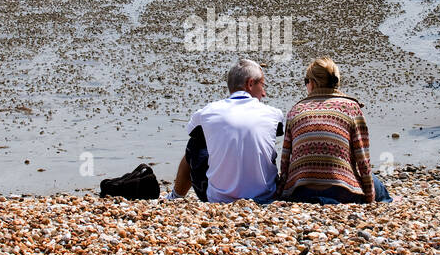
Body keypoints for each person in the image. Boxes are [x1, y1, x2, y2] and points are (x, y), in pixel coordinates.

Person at [167, 58, 284, 204]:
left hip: (218, 199)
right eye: (263, 85)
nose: (264, 93)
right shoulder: (274, 114)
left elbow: (192, 136)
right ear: (250, 83)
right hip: (266, 196)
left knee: (194, 144)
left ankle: (175, 197)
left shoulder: (207, 112)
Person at [278, 57, 391, 204]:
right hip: (341, 191)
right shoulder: (350, 108)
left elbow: (285, 159)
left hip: (300, 192)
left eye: (306, 82)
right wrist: (370, 197)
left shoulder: (295, 111)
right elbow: (362, 159)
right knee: (378, 186)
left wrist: (281, 193)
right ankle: (387, 201)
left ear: (312, 83)